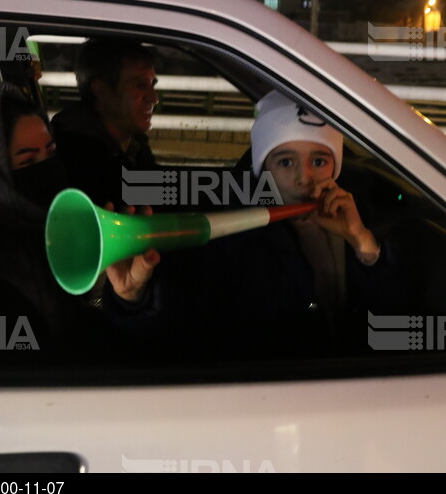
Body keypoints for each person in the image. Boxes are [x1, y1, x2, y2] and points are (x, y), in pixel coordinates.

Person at [102, 91, 404, 358]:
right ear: (264, 171)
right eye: (285, 162)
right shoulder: (232, 235)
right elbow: (179, 322)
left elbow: (391, 329)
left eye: (319, 161)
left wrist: (364, 245)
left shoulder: (358, 215)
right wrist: (133, 299)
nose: (304, 178)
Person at [0, 83, 115, 362]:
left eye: (50, 153)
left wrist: (118, 293)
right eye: (27, 163)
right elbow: (43, 359)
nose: (46, 170)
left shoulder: (34, 230)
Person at [51, 37, 160, 207]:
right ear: (102, 90)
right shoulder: (78, 159)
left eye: (152, 84)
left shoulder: (131, 142)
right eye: (139, 85)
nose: (154, 98)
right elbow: (150, 193)